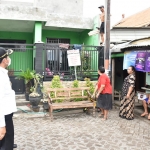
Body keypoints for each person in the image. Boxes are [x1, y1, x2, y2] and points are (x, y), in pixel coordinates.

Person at [0, 47, 17, 150]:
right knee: (5, 137)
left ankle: (9, 143)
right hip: (4, 114)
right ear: (4, 60)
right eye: (8, 56)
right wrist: (1, 125)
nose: (9, 58)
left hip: (7, 112)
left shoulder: (3, 73)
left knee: (9, 135)